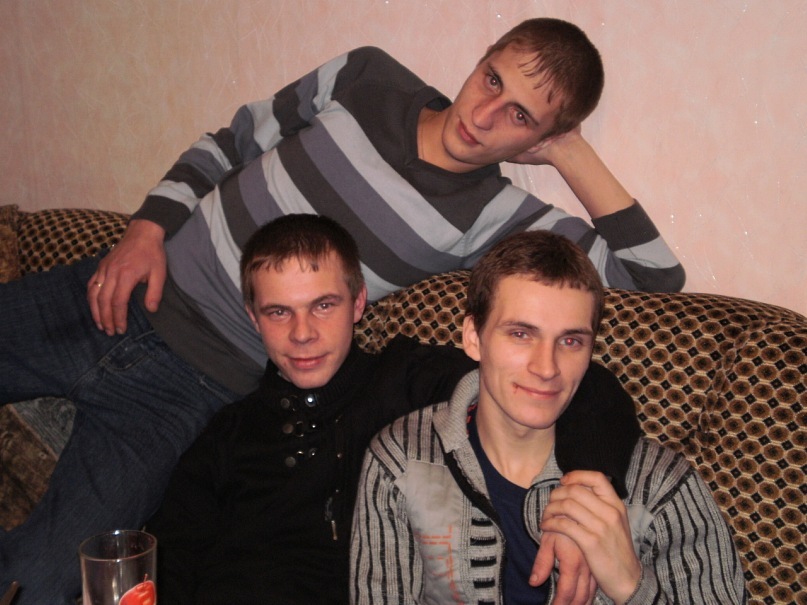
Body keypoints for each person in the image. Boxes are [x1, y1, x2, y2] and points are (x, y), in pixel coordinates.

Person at [0, 18, 685, 603]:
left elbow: (652, 279)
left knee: (42, 579)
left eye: (521, 117)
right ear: (480, 61)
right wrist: (146, 228)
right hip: (107, 290)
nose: (482, 116)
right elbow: (233, 142)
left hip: (189, 390)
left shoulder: (491, 214)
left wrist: (567, 149)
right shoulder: (367, 77)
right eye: (492, 80)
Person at [145, 214, 623, 604]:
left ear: (358, 303)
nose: (302, 333)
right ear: (254, 318)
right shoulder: (228, 432)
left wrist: (582, 505)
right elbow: (164, 564)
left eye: (324, 305)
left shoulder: (406, 380)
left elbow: (584, 387)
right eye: (279, 312)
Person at [351, 230, 745, 604]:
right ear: (473, 337)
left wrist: (630, 583)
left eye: (570, 341)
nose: (546, 367)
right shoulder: (402, 460)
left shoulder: (659, 486)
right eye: (521, 334)